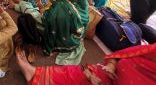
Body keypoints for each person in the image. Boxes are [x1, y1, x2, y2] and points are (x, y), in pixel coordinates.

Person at [16, 43, 156, 85]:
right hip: (107, 74)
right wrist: (112, 65)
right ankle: (34, 73)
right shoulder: (152, 50)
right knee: (72, 72)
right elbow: (122, 55)